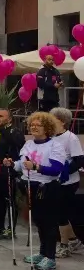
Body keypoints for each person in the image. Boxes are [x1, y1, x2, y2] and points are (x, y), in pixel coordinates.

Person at [8, 111, 65, 270]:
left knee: (49, 223)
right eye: (32, 124)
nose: (33, 127)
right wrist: (12, 164)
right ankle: (42, 252)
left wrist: (36, 167)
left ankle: (50, 257)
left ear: (47, 127)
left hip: (47, 187)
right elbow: (21, 164)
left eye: (38, 125)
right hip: (30, 186)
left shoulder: (55, 145)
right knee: (38, 222)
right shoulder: (28, 144)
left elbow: (56, 169)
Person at [50, 107, 84, 258]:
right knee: (58, 214)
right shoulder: (51, 136)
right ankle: (74, 240)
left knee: (61, 215)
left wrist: (65, 172)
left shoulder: (71, 138)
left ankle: (64, 246)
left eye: (53, 119)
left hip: (68, 182)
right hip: (54, 180)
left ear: (62, 122)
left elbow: (79, 160)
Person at [0, 107, 26, 239]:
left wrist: (2, 129)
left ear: (9, 118)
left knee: (10, 200)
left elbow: (18, 143)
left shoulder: (14, 131)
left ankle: (11, 229)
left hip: (9, 170)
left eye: (1, 116)